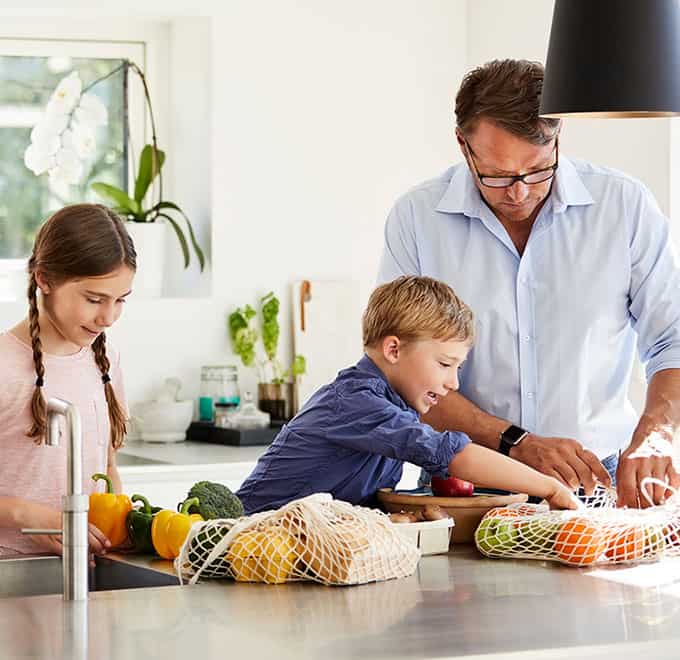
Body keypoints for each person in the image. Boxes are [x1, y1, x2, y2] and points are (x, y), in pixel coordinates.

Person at [378, 59, 680, 509]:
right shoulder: (417, 219)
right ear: (464, 146)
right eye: (497, 175)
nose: (518, 192)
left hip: (599, 482)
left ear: (558, 139)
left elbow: (672, 341)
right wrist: (515, 442)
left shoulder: (624, 206)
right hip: (462, 485)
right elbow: (402, 373)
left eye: (538, 170)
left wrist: (658, 432)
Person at [237, 276, 578, 515]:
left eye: (457, 368)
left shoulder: (394, 406)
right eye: (445, 364)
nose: (453, 384)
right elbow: (455, 456)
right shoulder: (357, 402)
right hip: (248, 544)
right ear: (394, 349)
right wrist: (549, 487)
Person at [0, 203, 136, 556]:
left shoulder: (105, 362)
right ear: (44, 279)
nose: (108, 317)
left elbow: (107, 468)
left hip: (81, 571)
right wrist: (29, 515)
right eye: (94, 299)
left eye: (120, 300)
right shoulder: (4, 367)